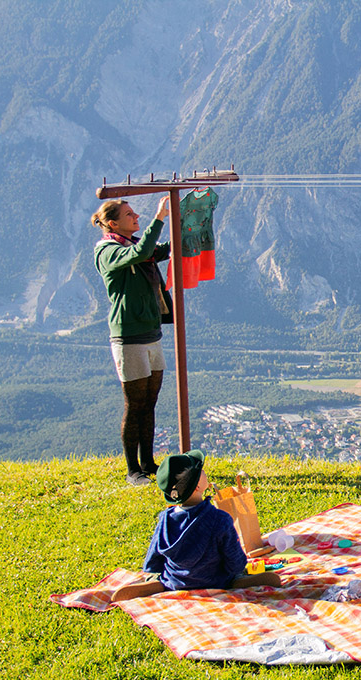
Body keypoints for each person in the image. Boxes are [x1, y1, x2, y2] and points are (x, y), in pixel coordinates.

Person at [111, 450, 280, 602]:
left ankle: (160, 583)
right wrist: (238, 570)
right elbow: (235, 561)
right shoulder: (220, 519)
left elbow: (152, 560)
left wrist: (154, 574)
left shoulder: (164, 519)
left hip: (176, 580)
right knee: (235, 573)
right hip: (216, 580)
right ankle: (237, 581)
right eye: (202, 471)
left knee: (160, 575)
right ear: (198, 486)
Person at [91, 196, 172, 486]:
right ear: (113, 223)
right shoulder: (107, 251)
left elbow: (155, 250)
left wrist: (187, 228)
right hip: (128, 336)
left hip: (151, 333)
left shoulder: (134, 246)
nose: (136, 216)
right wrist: (159, 218)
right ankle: (132, 469)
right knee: (134, 403)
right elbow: (142, 252)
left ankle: (148, 462)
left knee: (150, 401)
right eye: (129, 214)